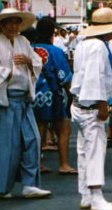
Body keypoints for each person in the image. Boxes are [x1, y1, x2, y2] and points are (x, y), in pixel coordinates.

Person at [0, 8, 50, 200]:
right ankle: (4, 187)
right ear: (1, 24)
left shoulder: (23, 41)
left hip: (23, 99)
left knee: (32, 140)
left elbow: (36, 62)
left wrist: (28, 61)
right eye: (9, 22)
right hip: (6, 99)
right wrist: (10, 73)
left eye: (16, 22)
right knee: (7, 145)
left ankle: (29, 184)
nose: (13, 26)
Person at [70, 8, 112, 210]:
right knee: (94, 152)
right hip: (91, 104)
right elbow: (95, 76)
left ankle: (86, 194)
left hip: (79, 103)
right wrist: (102, 104)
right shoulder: (99, 46)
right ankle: (96, 195)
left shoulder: (84, 44)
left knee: (83, 151)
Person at [27, 15, 76, 175]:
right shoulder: (55, 51)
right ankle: (64, 164)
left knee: (39, 129)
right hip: (51, 94)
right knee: (63, 128)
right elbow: (64, 76)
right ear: (52, 33)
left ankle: (37, 163)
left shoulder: (30, 49)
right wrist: (72, 96)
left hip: (33, 93)